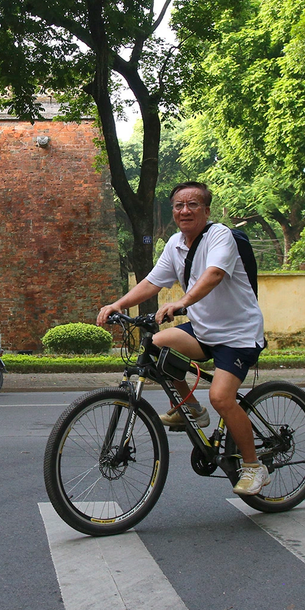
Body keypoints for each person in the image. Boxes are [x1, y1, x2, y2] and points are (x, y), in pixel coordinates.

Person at [97, 181, 269, 496]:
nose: (184, 210)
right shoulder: (176, 243)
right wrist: (119, 304)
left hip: (238, 334)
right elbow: (152, 281)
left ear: (206, 210)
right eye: (178, 205)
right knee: (157, 346)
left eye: (192, 205)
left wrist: (181, 303)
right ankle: (191, 409)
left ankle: (254, 466)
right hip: (203, 329)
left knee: (221, 398)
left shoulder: (220, 236)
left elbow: (214, 274)